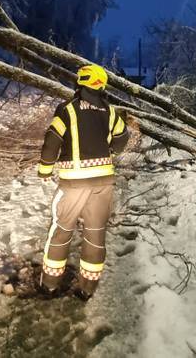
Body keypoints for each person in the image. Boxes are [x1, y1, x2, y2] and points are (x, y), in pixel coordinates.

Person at [36, 63, 129, 300]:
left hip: (74, 184)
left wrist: (45, 169)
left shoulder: (67, 109)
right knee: (95, 234)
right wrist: (111, 152)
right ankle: (87, 289)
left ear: (80, 83)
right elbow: (122, 136)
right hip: (103, 183)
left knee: (61, 231)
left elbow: (52, 141)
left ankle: (50, 285)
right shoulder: (110, 112)